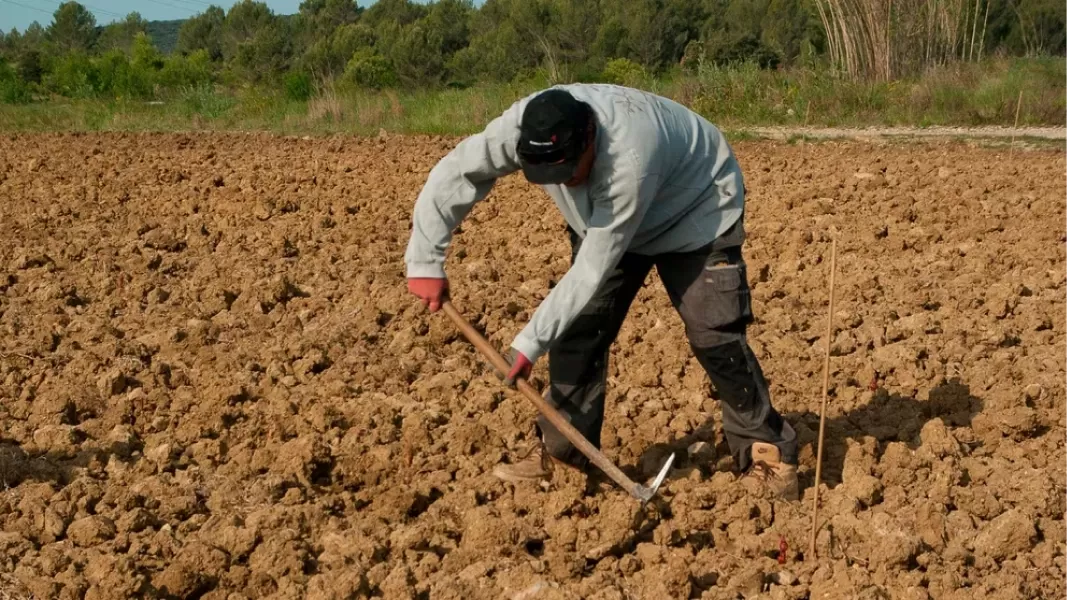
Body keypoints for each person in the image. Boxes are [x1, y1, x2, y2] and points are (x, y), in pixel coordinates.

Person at [403, 83, 799, 501]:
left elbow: (592, 268)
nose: (565, 184)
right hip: (605, 218)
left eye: (570, 172)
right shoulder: (521, 128)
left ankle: (769, 453)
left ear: (589, 137)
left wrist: (528, 345)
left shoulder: (630, 159)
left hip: (697, 208)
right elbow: (457, 172)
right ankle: (564, 455)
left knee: (714, 333)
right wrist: (425, 260)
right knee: (579, 329)